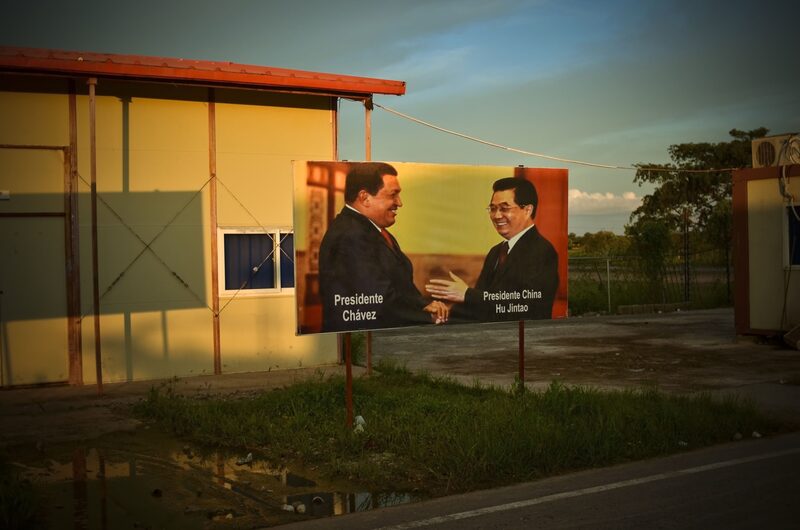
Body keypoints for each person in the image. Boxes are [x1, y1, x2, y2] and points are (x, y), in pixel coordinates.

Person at [319, 162, 449, 332]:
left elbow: (400, 289)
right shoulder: (350, 235)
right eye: (393, 195)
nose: (399, 203)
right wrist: (428, 317)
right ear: (365, 197)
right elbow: (380, 298)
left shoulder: (372, 230)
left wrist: (428, 305)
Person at [426, 177, 558, 321]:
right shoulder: (496, 252)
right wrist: (445, 315)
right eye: (493, 209)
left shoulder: (541, 251)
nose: (497, 216)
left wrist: (467, 294)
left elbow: (526, 307)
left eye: (504, 208)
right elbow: (480, 307)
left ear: (527, 210)